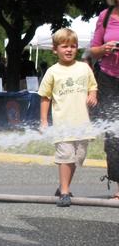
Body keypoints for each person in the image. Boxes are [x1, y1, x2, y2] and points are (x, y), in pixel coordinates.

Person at [39, 28, 98, 207]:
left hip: (83, 125)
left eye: (73, 46)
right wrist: (43, 121)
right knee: (66, 157)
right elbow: (45, 97)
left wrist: (92, 95)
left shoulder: (84, 68)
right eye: (64, 46)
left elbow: (93, 86)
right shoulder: (52, 72)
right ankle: (65, 192)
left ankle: (63, 186)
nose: (69, 50)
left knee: (77, 158)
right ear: (55, 49)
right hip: (62, 125)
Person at [89, 0, 119, 200]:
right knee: (113, 136)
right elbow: (91, 52)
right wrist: (104, 48)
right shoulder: (105, 16)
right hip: (109, 79)